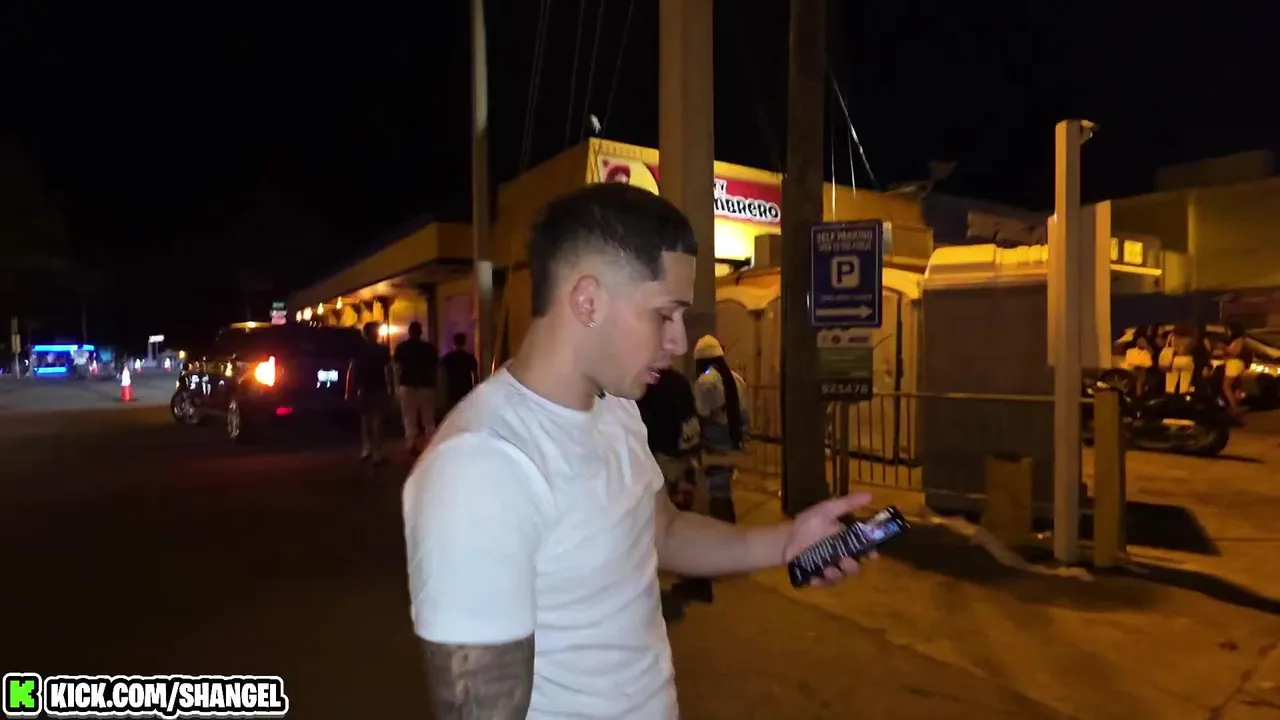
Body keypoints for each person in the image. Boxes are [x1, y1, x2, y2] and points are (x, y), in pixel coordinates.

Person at [402, 182, 872, 719]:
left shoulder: (616, 408)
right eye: (665, 314)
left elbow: (661, 532)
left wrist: (787, 541)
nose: (678, 341)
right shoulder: (481, 467)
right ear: (588, 301)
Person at [636, 366, 704, 617]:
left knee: (656, 524)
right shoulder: (679, 381)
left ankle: (654, 589)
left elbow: (648, 424)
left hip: (663, 457)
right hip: (685, 454)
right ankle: (697, 580)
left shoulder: (649, 384)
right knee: (683, 519)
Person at [693, 334, 750, 526]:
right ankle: (730, 528)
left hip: (715, 446)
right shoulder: (736, 378)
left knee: (717, 494)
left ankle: (724, 529)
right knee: (724, 491)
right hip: (734, 442)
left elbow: (702, 413)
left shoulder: (705, 382)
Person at [345, 321, 392, 464]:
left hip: (363, 387)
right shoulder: (383, 349)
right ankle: (378, 451)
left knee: (365, 418)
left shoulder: (358, 350)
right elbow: (388, 370)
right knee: (377, 419)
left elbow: (352, 370)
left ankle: (367, 448)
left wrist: (349, 390)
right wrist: (391, 388)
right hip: (379, 386)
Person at [393, 321, 439, 453]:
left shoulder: (401, 348)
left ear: (409, 332)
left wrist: (396, 387)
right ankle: (430, 444)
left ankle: (411, 443)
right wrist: (437, 386)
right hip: (426, 385)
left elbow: (397, 368)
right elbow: (434, 368)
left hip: (407, 384)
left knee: (409, 417)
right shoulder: (429, 348)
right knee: (428, 418)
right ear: (421, 332)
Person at [438, 332, 478, 419]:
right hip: (466, 388)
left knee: (453, 414)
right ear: (464, 342)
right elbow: (475, 375)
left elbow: (441, 373)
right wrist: (475, 388)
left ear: (454, 343)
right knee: (466, 412)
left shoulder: (448, 357)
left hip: (452, 389)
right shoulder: (469, 357)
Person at [1223, 324, 1251, 415]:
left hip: (1234, 364)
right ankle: (1236, 405)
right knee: (1237, 386)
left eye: (1229, 330)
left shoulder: (1239, 340)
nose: (1228, 332)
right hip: (1235, 364)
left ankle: (1235, 408)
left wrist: (1224, 348)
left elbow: (1235, 353)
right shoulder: (1240, 340)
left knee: (1226, 386)